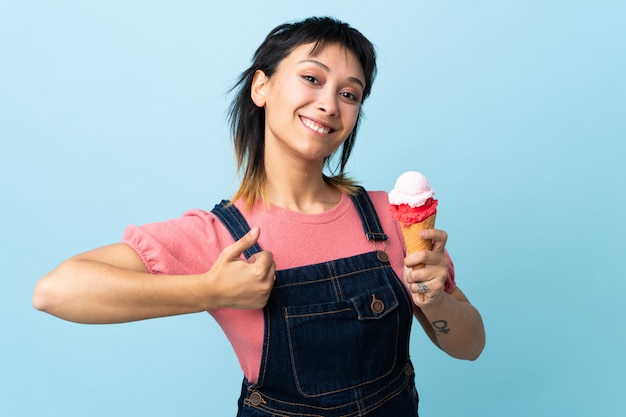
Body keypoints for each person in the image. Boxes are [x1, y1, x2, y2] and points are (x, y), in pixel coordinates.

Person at [33, 16, 485, 416]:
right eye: (312, 78)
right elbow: (54, 292)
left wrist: (436, 301)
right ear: (261, 87)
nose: (330, 103)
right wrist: (209, 289)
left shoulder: (390, 217)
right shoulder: (220, 238)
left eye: (350, 93)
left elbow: (470, 347)